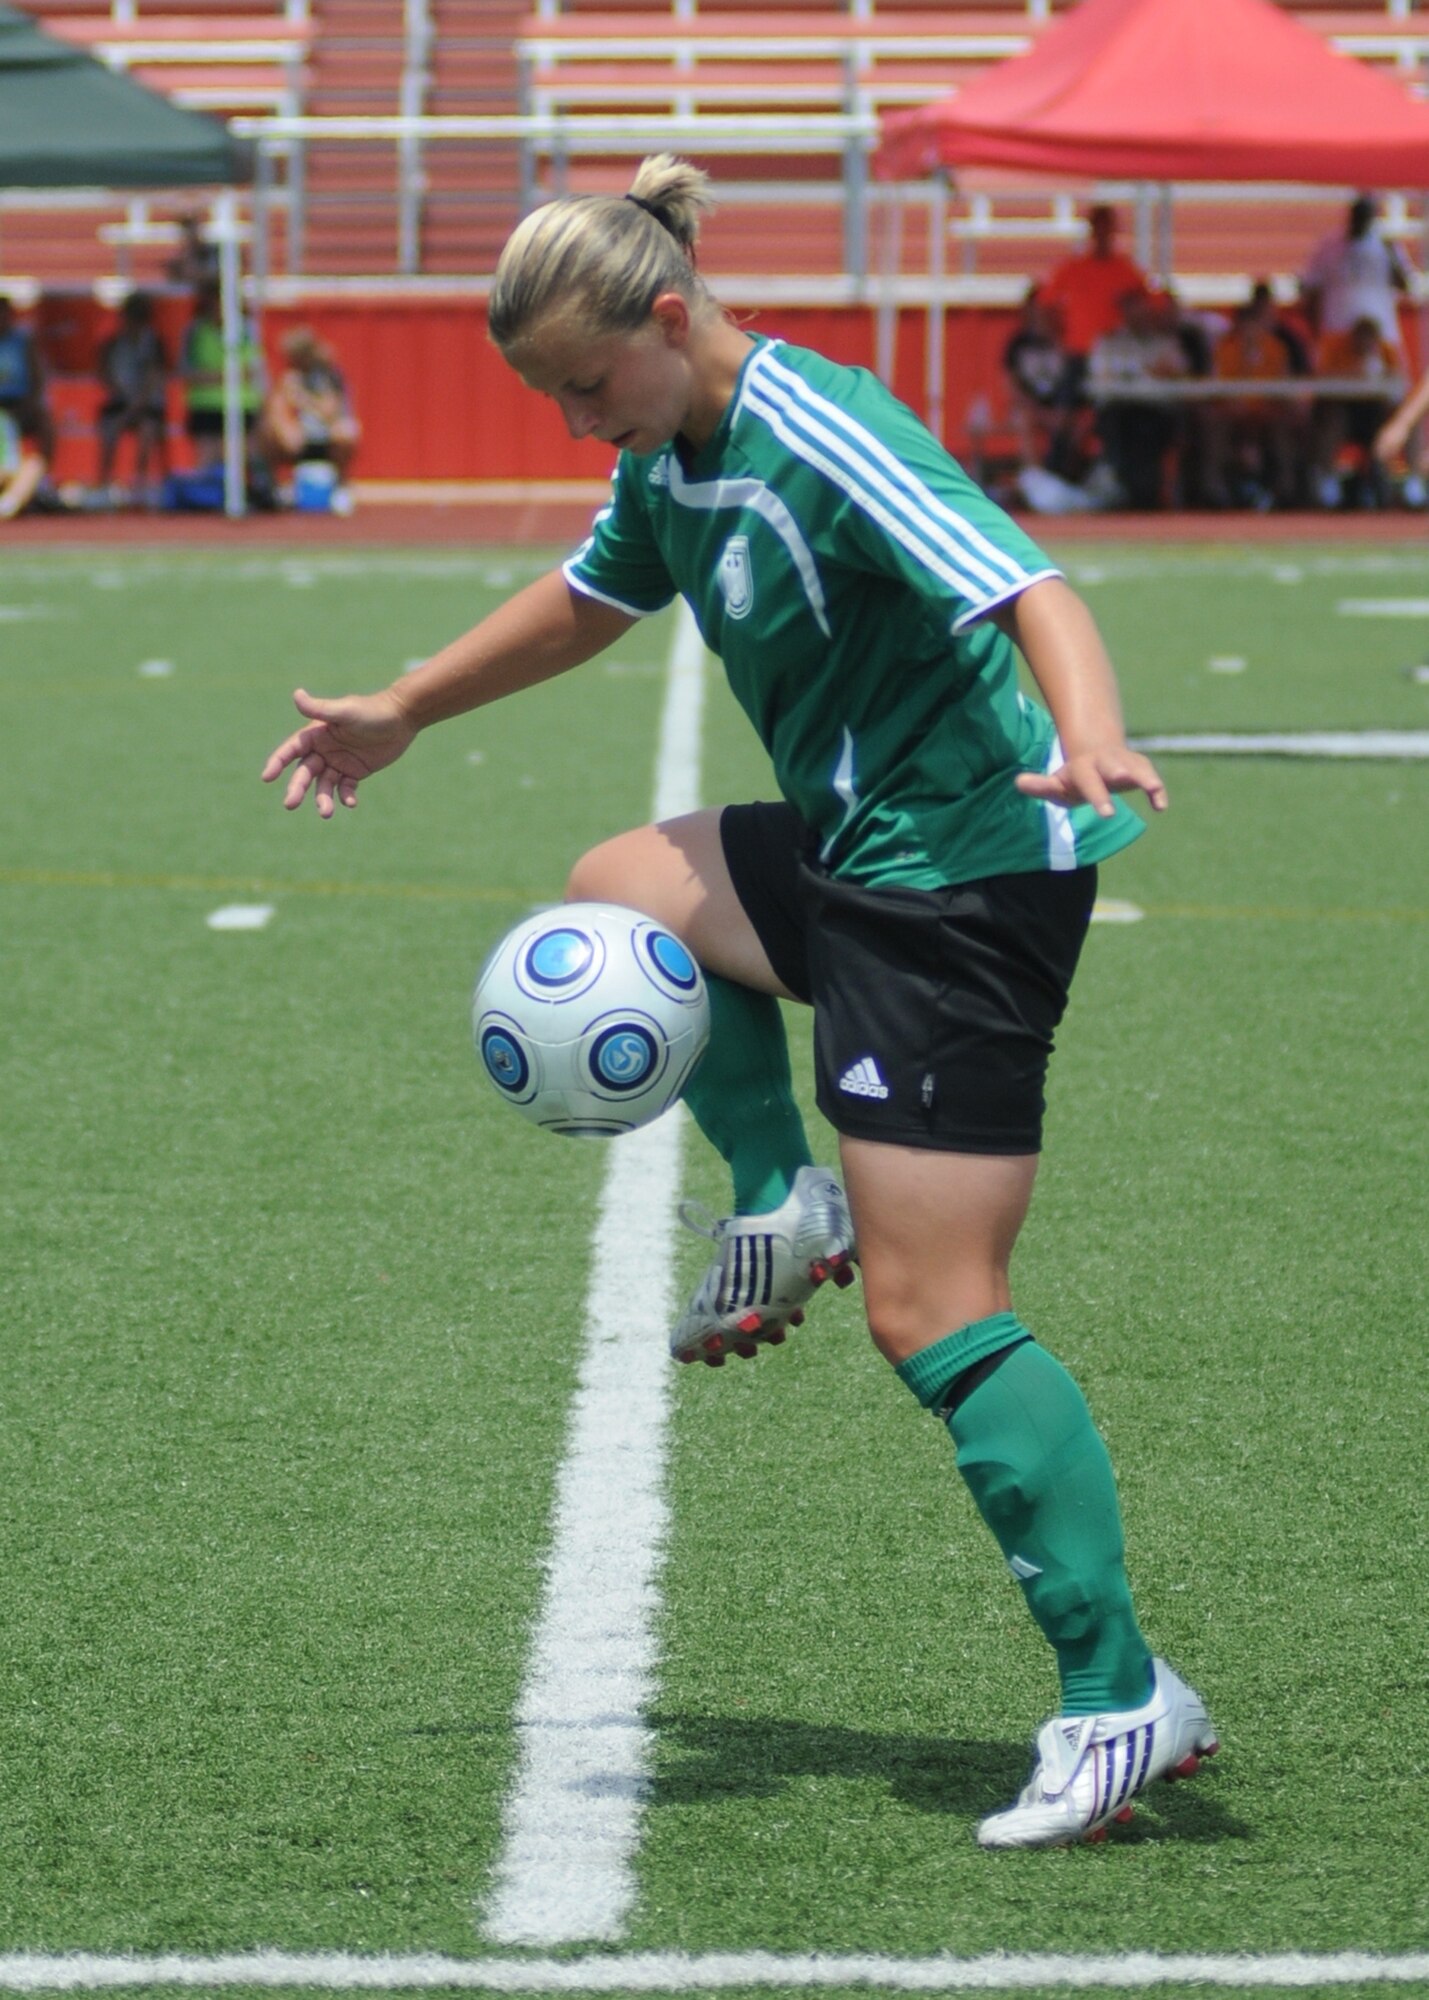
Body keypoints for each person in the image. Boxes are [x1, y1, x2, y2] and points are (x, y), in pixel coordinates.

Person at [261, 154, 1217, 1849]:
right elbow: (584, 602)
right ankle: (781, 1188)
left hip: (959, 885)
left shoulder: (813, 421)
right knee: (622, 881)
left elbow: (1023, 584)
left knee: (935, 1313)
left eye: (580, 386)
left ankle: (1113, 1698)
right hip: (860, 846)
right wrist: (408, 704)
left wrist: (1083, 726)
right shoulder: (668, 450)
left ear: (665, 315)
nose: (572, 427)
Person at [1202, 284, 1304, 511]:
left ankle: (1284, 489)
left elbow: (1284, 388)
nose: (1250, 332)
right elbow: (1214, 387)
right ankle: (1215, 490)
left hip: (1266, 412)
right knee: (1214, 426)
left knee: (1282, 430)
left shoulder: (1276, 349)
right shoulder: (1224, 349)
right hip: (1231, 413)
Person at [1086, 287, 1188, 508]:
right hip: (1118, 413)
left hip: (1155, 414)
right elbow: (1101, 380)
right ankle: (1116, 487)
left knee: (1157, 432)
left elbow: (1179, 375)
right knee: (1116, 427)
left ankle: (1152, 491)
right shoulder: (1109, 342)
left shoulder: (1164, 343)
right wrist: (1148, 372)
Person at [1038, 204, 1148, 374]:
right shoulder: (1072, 269)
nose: (1102, 233)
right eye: (1099, 226)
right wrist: (1057, 339)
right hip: (1077, 353)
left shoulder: (1127, 272)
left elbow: (1149, 307)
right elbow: (1045, 305)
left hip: (1117, 356)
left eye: (1107, 227)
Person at [1300, 194, 1410, 360]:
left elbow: (1405, 285)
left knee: (1383, 380)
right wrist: (1316, 331)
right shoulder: (1330, 244)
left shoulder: (1385, 244)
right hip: (1337, 329)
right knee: (1339, 380)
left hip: (1380, 332)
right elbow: (1311, 288)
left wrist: (1392, 255)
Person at [1312, 313, 1401, 508]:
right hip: (1346, 414)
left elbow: (1399, 390)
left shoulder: (1386, 353)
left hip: (1376, 416)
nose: (1365, 344)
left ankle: (1409, 483)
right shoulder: (1338, 351)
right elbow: (1322, 384)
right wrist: (1354, 374)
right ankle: (1328, 482)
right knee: (1333, 421)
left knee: (1401, 424)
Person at [257, 326, 361, 489]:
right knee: (265, 433)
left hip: (326, 432)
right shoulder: (290, 377)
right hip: (299, 435)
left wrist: (301, 398)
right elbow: (276, 409)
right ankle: (271, 487)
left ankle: (341, 486)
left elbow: (330, 411)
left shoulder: (327, 374)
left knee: (347, 433)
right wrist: (285, 426)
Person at [179, 280, 263, 471]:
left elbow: (251, 370)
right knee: (207, 462)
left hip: (242, 404)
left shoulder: (246, 329)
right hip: (206, 406)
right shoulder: (196, 331)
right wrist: (228, 376)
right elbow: (187, 372)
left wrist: (213, 377)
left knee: (241, 461)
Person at [96, 291, 170, 498]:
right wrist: (124, 401)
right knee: (109, 429)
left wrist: (132, 410)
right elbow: (105, 375)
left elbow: (153, 380)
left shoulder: (154, 345)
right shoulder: (112, 344)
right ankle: (104, 485)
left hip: (146, 406)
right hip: (120, 402)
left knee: (147, 431)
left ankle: (140, 484)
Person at [0, 293, 56, 466]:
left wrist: (32, 403)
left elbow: (38, 376)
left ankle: (42, 473)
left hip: (21, 402)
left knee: (46, 424)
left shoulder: (24, 342)